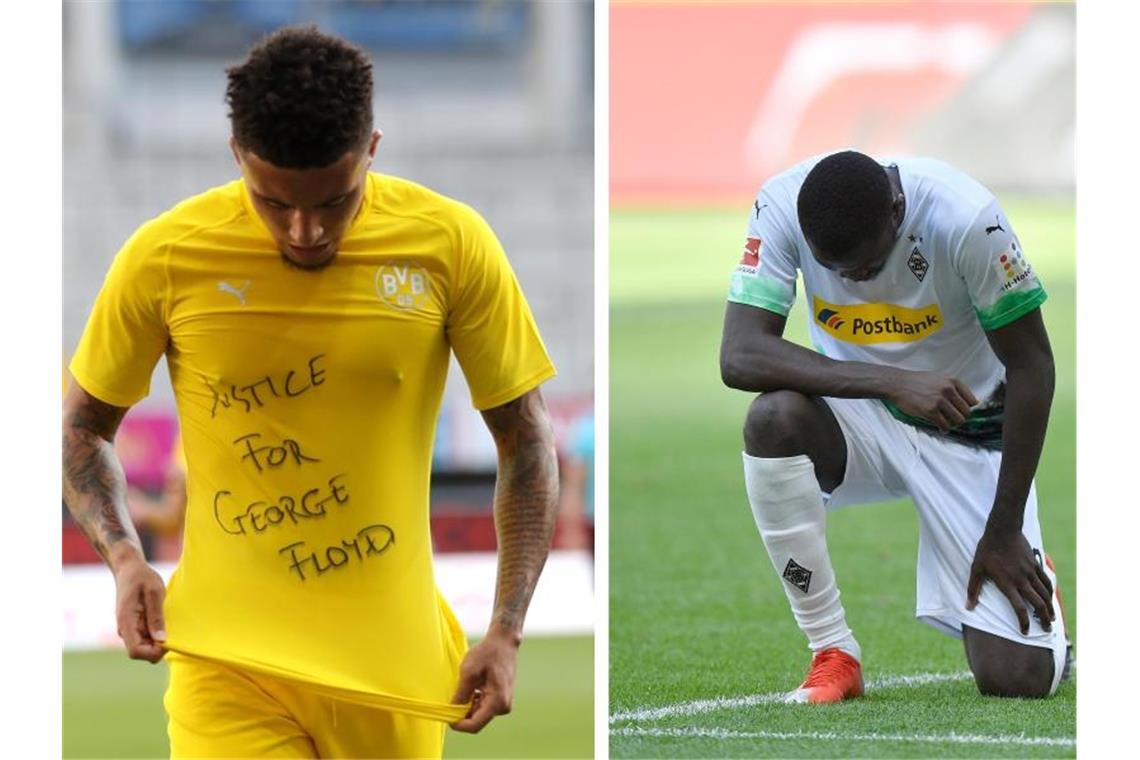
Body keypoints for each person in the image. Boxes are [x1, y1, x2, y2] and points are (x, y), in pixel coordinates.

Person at [62, 26, 559, 757]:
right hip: (228, 666)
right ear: (237, 157)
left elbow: (526, 439)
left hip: (392, 671)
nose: (304, 230)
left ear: (372, 150)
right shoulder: (163, 257)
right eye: (273, 202)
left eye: (334, 201)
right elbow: (83, 430)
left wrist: (507, 629)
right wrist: (126, 558)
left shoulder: (451, 244)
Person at [720, 150, 1069, 702]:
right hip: (862, 416)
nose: (849, 280)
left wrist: (1003, 529)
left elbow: (1034, 367)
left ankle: (1033, 562)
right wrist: (891, 382)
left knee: (1016, 679)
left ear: (897, 212)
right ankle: (832, 650)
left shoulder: (968, 219)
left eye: (863, 266)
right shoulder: (781, 205)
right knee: (772, 419)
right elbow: (739, 355)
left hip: (968, 427)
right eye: (832, 269)